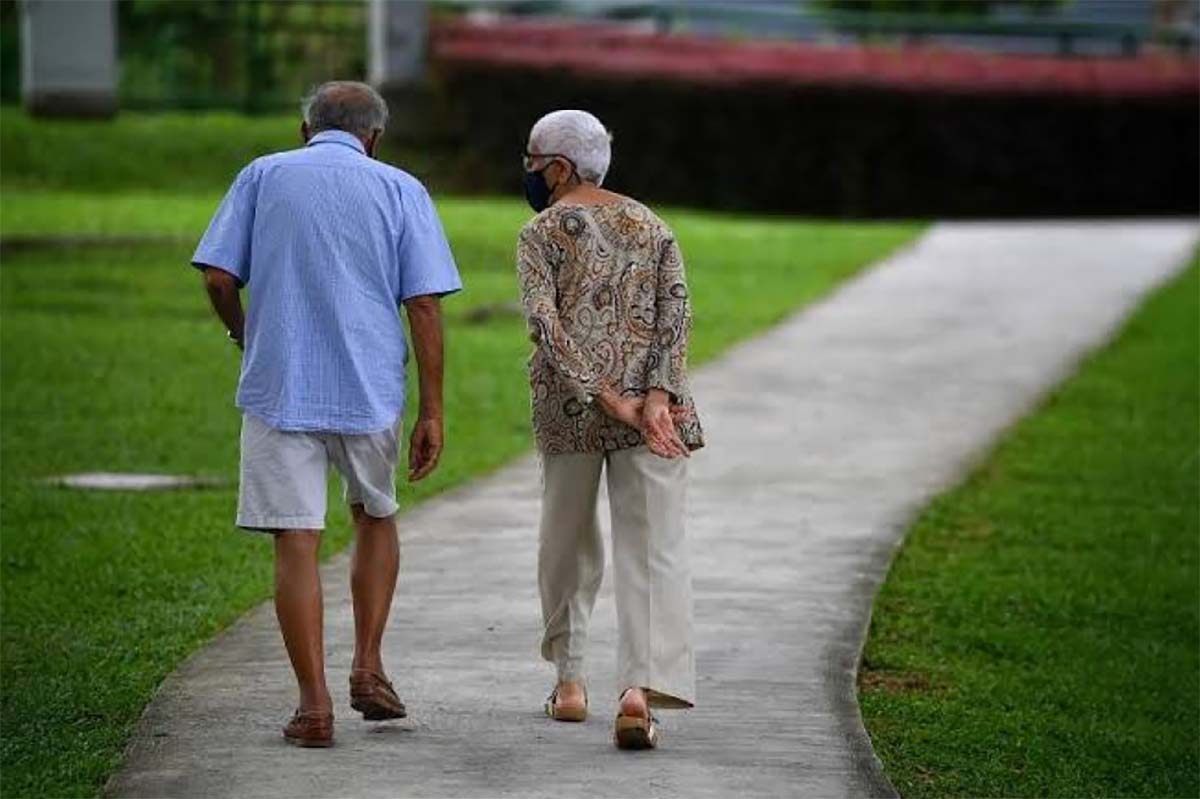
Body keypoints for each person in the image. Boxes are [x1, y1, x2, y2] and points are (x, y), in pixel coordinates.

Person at [192, 81, 461, 748]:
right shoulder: (400, 188)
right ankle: (368, 664)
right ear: (375, 136)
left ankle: (313, 706)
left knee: (296, 537)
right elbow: (423, 304)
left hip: (279, 386)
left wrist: (244, 335)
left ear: (303, 127)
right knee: (374, 514)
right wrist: (433, 408)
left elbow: (218, 278)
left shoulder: (262, 175)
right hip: (369, 385)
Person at [516, 109, 704, 750]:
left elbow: (545, 324)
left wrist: (603, 396)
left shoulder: (539, 232)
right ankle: (637, 693)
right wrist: (653, 399)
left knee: (564, 539)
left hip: (570, 410)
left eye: (533, 162)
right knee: (653, 546)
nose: (531, 174)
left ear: (559, 169)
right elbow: (676, 314)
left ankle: (570, 684)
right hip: (654, 417)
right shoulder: (652, 225)